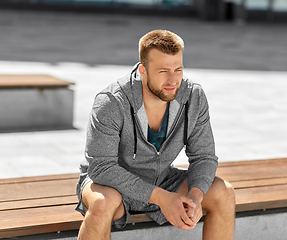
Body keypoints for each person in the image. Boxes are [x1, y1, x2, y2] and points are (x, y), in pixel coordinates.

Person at [75, 29, 235, 240]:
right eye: (163, 71)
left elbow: (204, 156)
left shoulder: (193, 97)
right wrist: (161, 198)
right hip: (112, 185)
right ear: (143, 70)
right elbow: (102, 168)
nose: (172, 80)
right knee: (102, 203)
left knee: (223, 192)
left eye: (178, 69)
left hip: (162, 180)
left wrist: (196, 194)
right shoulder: (111, 102)